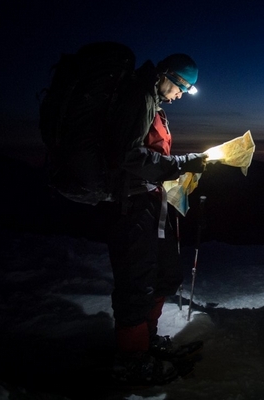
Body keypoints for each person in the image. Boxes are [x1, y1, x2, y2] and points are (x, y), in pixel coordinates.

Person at [105, 52, 207, 385]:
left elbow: (152, 156)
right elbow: (127, 154)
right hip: (132, 206)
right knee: (137, 281)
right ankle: (131, 359)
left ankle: (145, 343)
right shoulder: (138, 100)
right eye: (181, 87)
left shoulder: (154, 105)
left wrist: (180, 171)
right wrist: (180, 163)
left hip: (151, 203)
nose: (180, 95)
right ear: (166, 75)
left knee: (164, 274)